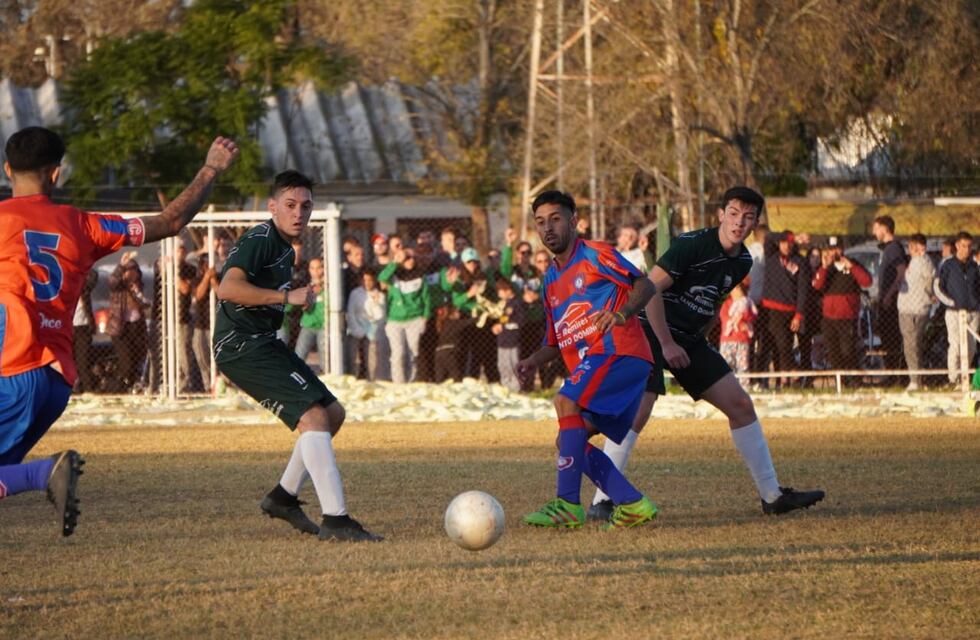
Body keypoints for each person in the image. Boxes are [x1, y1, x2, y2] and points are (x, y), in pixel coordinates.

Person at [0, 126, 238, 536]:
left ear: (7, 170)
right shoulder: (82, 225)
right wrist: (210, 169)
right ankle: (40, 476)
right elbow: (170, 220)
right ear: (57, 173)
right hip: (56, 381)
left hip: (12, 369)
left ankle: (45, 475)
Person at [587, 186, 825, 521]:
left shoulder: (743, 260)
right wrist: (667, 343)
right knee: (640, 408)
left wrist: (699, 339)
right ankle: (602, 501)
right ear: (721, 214)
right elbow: (649, 290)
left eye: (748, 217)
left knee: (740, 405)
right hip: (647, 327)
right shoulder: (693, 244)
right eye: (733, 213)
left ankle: (772, 496)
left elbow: (712, 302)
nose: (739, 222)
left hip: (687, 338)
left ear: (756, 222)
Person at [213, 170, 380, 542]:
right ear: (272, 207)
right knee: (314, 417)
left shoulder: (285, 249)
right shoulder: (261, 238)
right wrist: (286, 298)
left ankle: (283, 497)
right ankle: (337, 521)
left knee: (333, 414)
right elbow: (228, 287)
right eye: (290, 205)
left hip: (262, 342)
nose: (298, 213)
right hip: (240, 346)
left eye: (306, 206)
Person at [515, 190, 659, 531]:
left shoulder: (595, 254)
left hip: (618, 351)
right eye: (540, 222)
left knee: (564, 402)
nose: (548, 228)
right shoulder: (550, 280)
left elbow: (645, 285)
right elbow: (556, 339)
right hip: (601, 361)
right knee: (568, 440)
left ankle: (566, 505)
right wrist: (533, 360)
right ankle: (632, 504)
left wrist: (621, 314)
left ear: (573, 221)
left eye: (555, 219)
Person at [811, 243, 872, 376]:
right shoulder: (826, 268)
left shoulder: (853, 264)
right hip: (829, 318)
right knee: (833, 352)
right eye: (831, 249)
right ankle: (842, 381)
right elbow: (816, 285)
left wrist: (852, 267)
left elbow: (867, 281)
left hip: (847, 317)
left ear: (842, 249)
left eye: (837, 249)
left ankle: (854, 380)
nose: (834, 252)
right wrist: (824, 267)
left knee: (848, 351)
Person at [761, 230, 810, 383]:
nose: (786, 246)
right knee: (777, 345)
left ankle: (785, 380)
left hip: (789, 311)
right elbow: (768, 237)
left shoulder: (799, 261)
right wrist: (794, 236)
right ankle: (790, 371)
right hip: (771, 310)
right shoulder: (771, 255)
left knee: (785, 345)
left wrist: (798, 314)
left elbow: (803, 290)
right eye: (783, 242)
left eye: (790, 243)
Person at [379, 247, 431, 384]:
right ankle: (398, 383)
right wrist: (395, 262)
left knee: (413, 353)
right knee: (398, 353)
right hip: (395, 320)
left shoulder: (420, 275)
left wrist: (425, 317)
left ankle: (411, 381)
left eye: (413, 257)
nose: (411, 260)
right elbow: (382, 277)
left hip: (415, 319)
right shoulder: (394, 274)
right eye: (407, 258)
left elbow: (426, 298)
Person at [935, 231, 980, 387]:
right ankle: (953, 378)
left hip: (973, 312)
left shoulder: (974, 266)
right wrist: (951, 303)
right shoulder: (948, 265)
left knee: (970, 347)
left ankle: (965, 379)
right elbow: (938, 287)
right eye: (963, 246)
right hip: (954, 313)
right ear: (956, 246)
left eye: (969, 246)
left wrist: (976, 304)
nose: (966, 249)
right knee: (955, 345)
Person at [897, 234, 936, 391]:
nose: (912, 250)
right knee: (913, 345)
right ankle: (917, 378)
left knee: (911, 345)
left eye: (915, 247)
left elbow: (928, 281)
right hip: (913, 308)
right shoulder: (917, 262)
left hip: (914, 310)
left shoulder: (922, 262)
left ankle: (915, 379)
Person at [106, 252, 150, 392]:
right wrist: (121, 266)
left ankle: (132, 385)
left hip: (136, 327)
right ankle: (121, 386)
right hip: (120, 327)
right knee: (126, 361)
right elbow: (112, 281)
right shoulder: (119, 287)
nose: (131, 274)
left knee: (137, 358)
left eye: (134, 271)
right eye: (128, 271)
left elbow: (145, 304)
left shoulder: (137, 287)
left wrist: (137, 292)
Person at [873, 215, 907, 372]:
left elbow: (901, 272)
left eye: (876, 228)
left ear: (885, 228)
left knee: (892, 340)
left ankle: (896, 373)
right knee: (886, 339)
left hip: (891, 304)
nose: (874, 232)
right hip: (885, 301)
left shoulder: (893, 248)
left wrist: (889, 295)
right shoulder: (886, 249)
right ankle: (891, 372)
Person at [346, 269, 387, 380]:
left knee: (371, 359)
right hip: (355, 330)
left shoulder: (380, 295)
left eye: (370, 280)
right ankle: (352, 378)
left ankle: (371, 379)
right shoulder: (355, 293)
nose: (367, 283)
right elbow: (351, 313)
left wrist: (376, 303)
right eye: (364, 280)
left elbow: (380, 317)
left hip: (371, 331)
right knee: (353, 357)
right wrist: (358, 331)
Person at [191, 252, 219, 392]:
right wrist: (206, 278)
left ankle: (219, 384)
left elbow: (221, 294)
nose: (207, 267)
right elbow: (198, 294)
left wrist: (213, 281)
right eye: (204, 264)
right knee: (201, 355)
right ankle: (208, 385)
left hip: (216, 325)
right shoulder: (197, 280)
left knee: (217, 357)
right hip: (201, 324)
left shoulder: (219, 277)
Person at [294, 258, 326, 374]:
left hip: (323, 325)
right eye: (312, 268)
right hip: (308, 324)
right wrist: (310, 296)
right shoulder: (307, 285)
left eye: (319, 268)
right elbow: (304, 307)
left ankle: (325, 378)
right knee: (299, 355)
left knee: (325, 358)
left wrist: (322, 287)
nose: (316, 271)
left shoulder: (329, 285)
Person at [491, 278, 524, 392]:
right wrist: (498, 325)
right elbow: (504, 320)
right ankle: (506, 387)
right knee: (502, 365)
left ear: (507, 290)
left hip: (512, 342)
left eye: (499, 291)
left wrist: (503, 327)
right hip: (503, 341)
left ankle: (515, 388)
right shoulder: (505, 305)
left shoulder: (516, 303)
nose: (498, 294)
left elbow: (519, 323)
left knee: (512, 366)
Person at [718, 280, 757, 376]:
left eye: (739, 288)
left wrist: (744, 320)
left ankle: (743, 386)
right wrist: (737, 322)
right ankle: (726, 385)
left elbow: (753, 315)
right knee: (726, 364)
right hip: (728, 339)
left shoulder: (748, 302)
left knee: (743, 365)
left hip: (742, 340)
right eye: (734, 289)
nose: (737, 291)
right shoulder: (727, 303)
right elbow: (724, 317)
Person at [72, 270, 99, 393]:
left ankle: (87, 389)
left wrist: (82, 265)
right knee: (68, 360)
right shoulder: (64, 291)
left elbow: (94, 276)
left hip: (82, 328)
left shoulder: (84, 290)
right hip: (68, 328)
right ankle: (71, 387)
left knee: (83, 360)